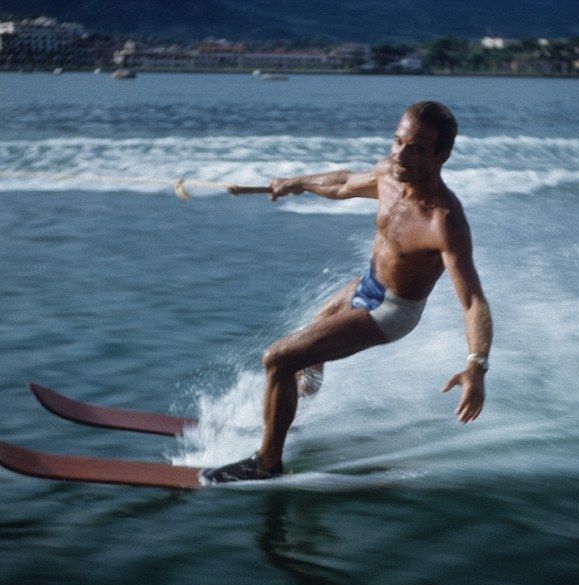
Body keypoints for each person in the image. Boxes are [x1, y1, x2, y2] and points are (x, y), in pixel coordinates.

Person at [201, 101, 493, 483]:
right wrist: (296, 183)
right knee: (304, 357)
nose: (400, 154)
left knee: (278, 358)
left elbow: (473, 301)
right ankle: (288, 418)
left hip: (391, 311)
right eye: (397, 141)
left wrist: (476, 366)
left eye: (416, 148)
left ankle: (266, 463)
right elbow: (342, 184)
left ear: (441, 156)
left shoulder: (443, 221)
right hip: (366, 285)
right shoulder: (390, 174)